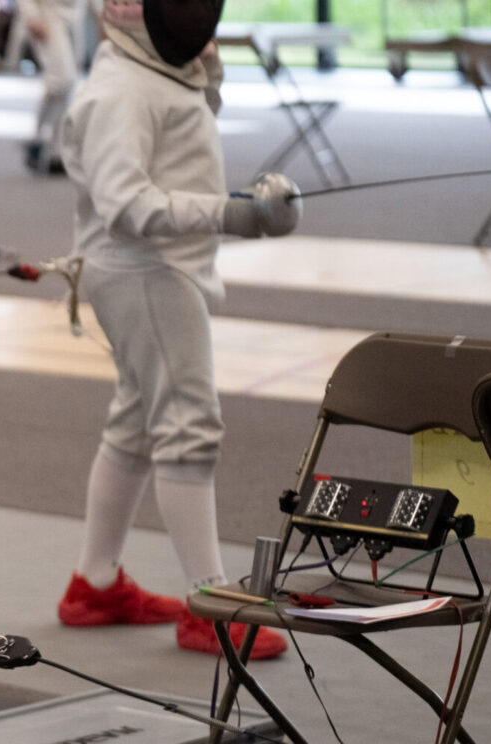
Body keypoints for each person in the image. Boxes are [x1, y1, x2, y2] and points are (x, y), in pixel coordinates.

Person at [56, 0, 300, 658]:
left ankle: (95, 583)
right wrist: (235, 214)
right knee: (189, 425)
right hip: (144, 271)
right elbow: (126, 204)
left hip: (162, 268)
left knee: (138, 420)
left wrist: (207, 81)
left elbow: (179, 150)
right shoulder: (120, 92)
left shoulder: (157, 70)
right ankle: (210, 605)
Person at [13, 0, 85, 174]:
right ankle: (38, 139)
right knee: (60, 81)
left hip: (75, 18)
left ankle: (56, 153)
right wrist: (32, 17)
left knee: (69, 87)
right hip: (49, 19)